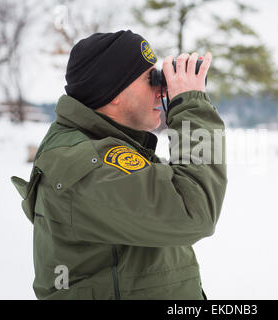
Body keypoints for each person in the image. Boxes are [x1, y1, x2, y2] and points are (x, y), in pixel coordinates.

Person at [11, 30, 227, 300]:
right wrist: (192, 106)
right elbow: (194, 211)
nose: (163, 89)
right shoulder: (82, 163)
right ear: (113, 91)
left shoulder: (110, 147)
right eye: (152, 79)